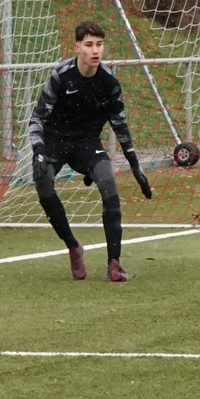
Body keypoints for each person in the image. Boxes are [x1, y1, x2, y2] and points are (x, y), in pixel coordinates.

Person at [28, 20, 153, 283]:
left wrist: (135, 166)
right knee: (43, 181)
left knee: (109, 184)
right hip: (54, 141)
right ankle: (73, 246)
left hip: (86, 143)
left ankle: (114, 264)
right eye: (89, 45)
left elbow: (120, 125)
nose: (95, 50)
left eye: (99, 44)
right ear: (77, 47)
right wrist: (38, 150)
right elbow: (37, 118)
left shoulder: (109, 82)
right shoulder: (61, 75)